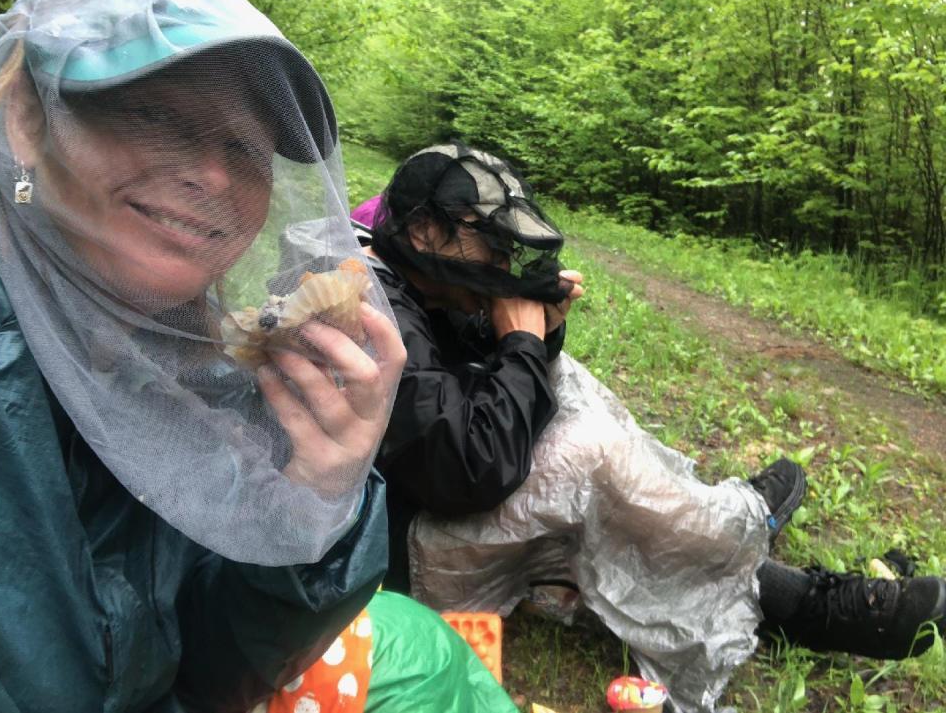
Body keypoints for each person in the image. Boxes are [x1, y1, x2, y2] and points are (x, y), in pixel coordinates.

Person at [0, 0, 517, 712]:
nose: (211, 176)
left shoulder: (177, 349)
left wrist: (316, 494)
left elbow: (204, 667)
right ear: (25, 118)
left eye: (244, 148)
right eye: (157, 116)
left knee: (422, 644)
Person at [355, 143, 946, 713]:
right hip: (401, 554)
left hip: (428, 503)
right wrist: (521, 342)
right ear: (426, 231)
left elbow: (457, 386)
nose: (505, 262)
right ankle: (790, 587)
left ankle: (718, 520)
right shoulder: (369, 310)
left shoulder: (413, 279)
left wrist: (542, 336)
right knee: (588, 460)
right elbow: (468, 465)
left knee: (574, 398)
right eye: (488, 241)